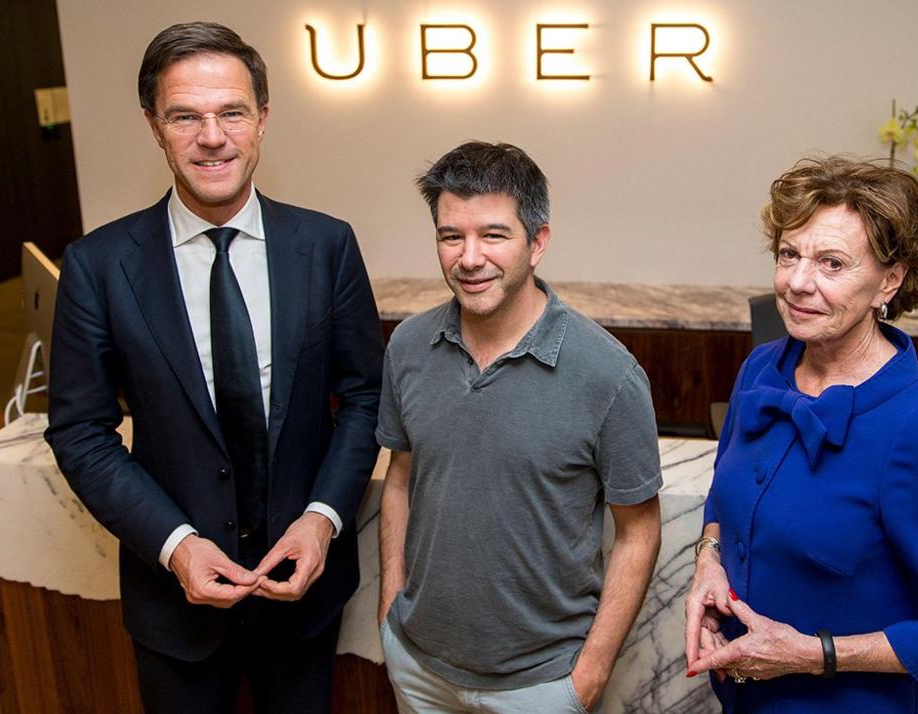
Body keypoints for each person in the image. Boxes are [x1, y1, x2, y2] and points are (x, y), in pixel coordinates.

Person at [45, 22, 383, 713]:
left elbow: (368, 399)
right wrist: (175, 545)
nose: (212, 136)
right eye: (185, 116)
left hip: (304, 598)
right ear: (154, 126)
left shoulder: (326, 246)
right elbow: (80, 431)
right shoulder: (98, 266)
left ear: (262, 120)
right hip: (174, 611)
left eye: (231, 112)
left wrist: (321, 519)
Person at [683, 156, 918, 713]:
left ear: (891, 278)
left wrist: (811, 654)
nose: (798, 283)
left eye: (832, 263)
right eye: (789, 255)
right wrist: (708, 561)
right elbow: (727, 491)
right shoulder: (762, 368)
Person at [375, 141, 663, 713]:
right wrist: (389, 607)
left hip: (544, 686)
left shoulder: (608, 373)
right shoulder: (407, 345)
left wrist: (590, 673)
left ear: (538, 242)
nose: (469, 257)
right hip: (419, 668)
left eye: (494, 235)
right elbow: (401, 477)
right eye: (450, 235)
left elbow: (638, 532)